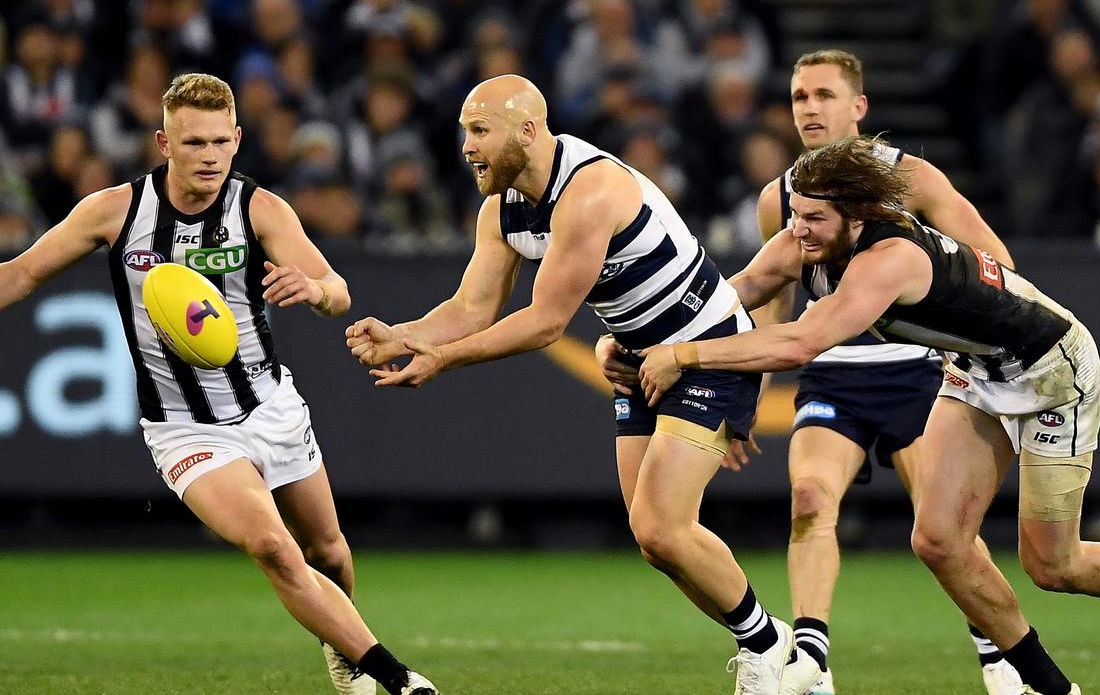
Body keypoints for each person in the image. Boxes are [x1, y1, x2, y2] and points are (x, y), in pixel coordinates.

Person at [636, 134, 1100, 695]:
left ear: (857, 216)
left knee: (1052, 565)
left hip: (1053, 370)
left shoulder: (890, 258)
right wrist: (644, 337)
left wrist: (683, 355)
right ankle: (1050, 688)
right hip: (976, 369)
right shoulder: (804, 242)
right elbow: (734, 294)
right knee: (937, 540)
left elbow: (798, 344)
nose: (798, 231)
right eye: (796, 215)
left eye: (814, 219)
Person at [0, 73, 437, 695]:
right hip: (184, 428)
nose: (207, 156)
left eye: (218, 142)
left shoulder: (261, 209)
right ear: (163, 142)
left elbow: (336, 290)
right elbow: (24, 271)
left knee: (330, 554)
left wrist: (314, 291)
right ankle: (397, 680)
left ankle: (341, 649)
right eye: (192, 142)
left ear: (237, 140)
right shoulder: (115, 211)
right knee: (272, 546)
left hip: (269, 405)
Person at [344, 74, 823, 695]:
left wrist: (444, 360)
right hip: (639, 361)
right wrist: (406, 335)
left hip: (708, 354)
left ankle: (770, 651)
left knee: (661, 525)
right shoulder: (502, 208)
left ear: (527, 130)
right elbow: (472, 306)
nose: (466, 146)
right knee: (657, 542)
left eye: (479, 130)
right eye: (465, 131)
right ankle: (772, 646)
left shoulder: (589, 189)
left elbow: (545, 323)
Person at [597, 48, 1022, 695]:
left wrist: (961, 335)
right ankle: (810, 664)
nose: (810, 108)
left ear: (859, 107)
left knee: (945, 533)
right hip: (832, 369)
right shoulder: (782, 198)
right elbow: (769, 302)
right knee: (808, 501)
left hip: (917, 372)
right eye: (799, 97)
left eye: (825, 95)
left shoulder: (910, 179)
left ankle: (999, 658)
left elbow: (996, 260)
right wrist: (743, 397)